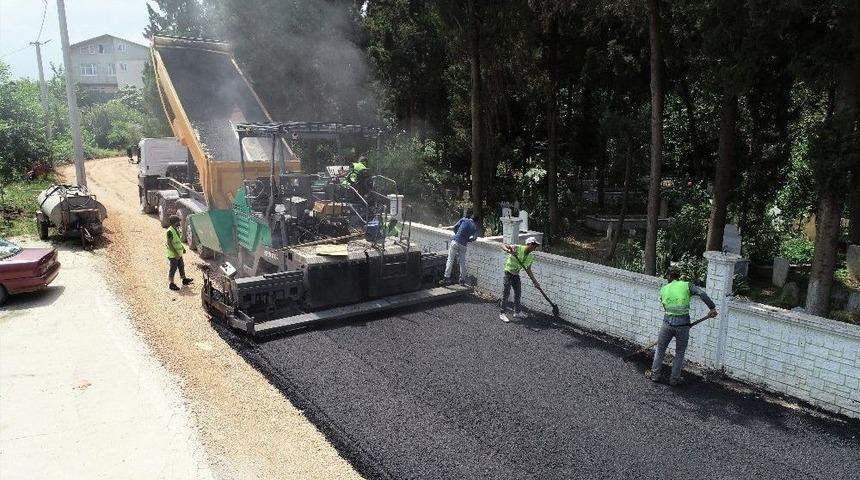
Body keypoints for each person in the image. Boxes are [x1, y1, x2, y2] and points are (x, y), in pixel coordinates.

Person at [646, 268, 718, 385]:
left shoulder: (663, 289)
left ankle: (655, 375)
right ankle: (674, 379)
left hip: (667, 324)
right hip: (683, 325)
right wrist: (712, 308)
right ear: (678, 276)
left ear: (669, 276)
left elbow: (666, 308)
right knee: (679, 352)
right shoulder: (686, 285)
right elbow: (701, 293)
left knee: (660, 349)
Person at [499, 236, 541, 323]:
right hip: (508, 273)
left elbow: (528, 270)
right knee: (506, 293)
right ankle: (502, 313)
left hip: (516, 275)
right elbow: (503, 245)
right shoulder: (517, 248)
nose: (534, 247)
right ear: (528, 244)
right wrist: (508, 250)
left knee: (518, 294)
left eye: (535, 246)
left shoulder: (530, 257)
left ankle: (517, 312)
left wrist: (535, 282)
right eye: (533, 245)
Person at [441, 214, 480, 286]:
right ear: (476, 221)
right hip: (463, 245)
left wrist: (457, 234)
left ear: (471, 218)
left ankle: (446, 277)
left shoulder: (464, 219)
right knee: (462, 262)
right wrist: (467, 240)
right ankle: (462, 279)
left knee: (450, 259)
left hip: (455, 241)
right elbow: (474, 238)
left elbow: (454, 227)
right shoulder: (474, 228)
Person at [166, 215, 193, 291]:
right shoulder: (170, 231)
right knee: (173, 268)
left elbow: (177, 241)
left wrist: (182, 248)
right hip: (173, 255)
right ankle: (171, 284)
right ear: (174, 222)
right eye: (178, 221)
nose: (179, 222)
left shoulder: (175, 229)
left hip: (178, 253)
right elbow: (169, 244)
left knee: (181, 266)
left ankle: (184, 279)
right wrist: (175, 254)